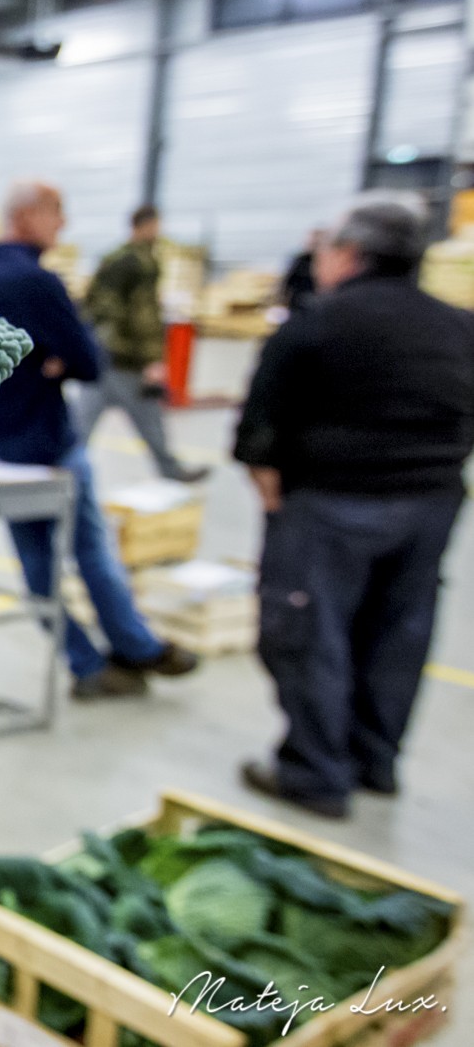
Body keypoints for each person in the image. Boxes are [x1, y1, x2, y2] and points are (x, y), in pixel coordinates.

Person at [233, 196, 473, 820]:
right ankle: (375, 761)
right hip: (431, 506)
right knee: (398, 632)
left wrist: (272, 492)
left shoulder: (316, 323)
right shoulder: (458, 326)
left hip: (333, 503)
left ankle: (315, 772)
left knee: (311, 632)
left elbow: (259, 429)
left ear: (348, 253)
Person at [0, 181, 200, 699]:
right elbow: (89, 362)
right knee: (91, 551)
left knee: (38, 565)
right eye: (57, 214)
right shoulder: (37, 283)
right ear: (29, 216)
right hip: (47, 447)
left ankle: (87, 665)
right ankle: (137, 648)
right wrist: (55, 361)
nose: (63, 226)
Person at [75, 205, 209, 483]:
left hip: (113, 358)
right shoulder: (133, 262)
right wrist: (150, 358)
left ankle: (169, 469)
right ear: (144, 226)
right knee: (89, 425)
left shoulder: (129, 259)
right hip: (122, 361)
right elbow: (136, 316)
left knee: (138, 422)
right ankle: (65, 472)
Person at [278, 228, 324, 318]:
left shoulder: (328, 262)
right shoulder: (300, 260)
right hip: (299, 300)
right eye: (313, 243)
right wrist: (282, 301)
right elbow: (286, 282)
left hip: (319, 301)